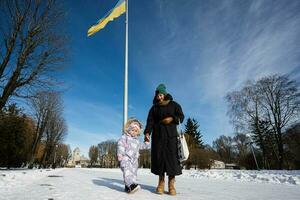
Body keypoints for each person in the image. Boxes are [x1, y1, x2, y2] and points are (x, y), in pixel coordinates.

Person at [144, 84, 184, 195]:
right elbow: (150, 121)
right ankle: (161, 183)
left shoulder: (174, 105)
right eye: (157, 95)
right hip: (158, 137)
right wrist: (147, 133)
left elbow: (181, 117)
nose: (159, 97)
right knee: (160, 159)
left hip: (171, 137)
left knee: (172, 160)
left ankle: (171, 185)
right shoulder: (154, 108)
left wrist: (172, 118)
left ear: (165, 94)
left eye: (161, 94)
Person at [117, 118, 150, 194]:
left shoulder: (137, 141)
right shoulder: (124, 137)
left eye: (136, 131)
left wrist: (147, 142)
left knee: (133, 173)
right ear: (129, 129)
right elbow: (120, 145)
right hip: (125, 158)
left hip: (134, 160)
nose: (134, 132)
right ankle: (131, 185)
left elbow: (143, 146)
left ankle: (128, 186)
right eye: (132, 130)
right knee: (127, 172)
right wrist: (120, 154)